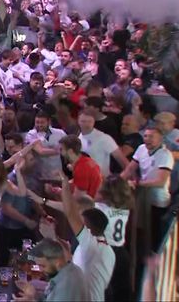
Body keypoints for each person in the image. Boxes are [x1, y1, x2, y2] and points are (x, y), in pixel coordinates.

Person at [59, 171, 114, 301]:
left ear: (88, 227)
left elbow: (70, 213)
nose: (78, 224)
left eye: (82, 221)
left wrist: (65, 185)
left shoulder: (89, 243)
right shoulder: (109, 251)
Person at [121, 126, 173, 251]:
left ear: (160, 139)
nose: (147, 139)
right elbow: (130, 169)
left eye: (151, 137)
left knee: (153, 235)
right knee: (139, 231)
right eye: (145, 136)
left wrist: (138, 183)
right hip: (143, 197)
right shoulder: (141, 149)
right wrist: (118, 182)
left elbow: (160, 182)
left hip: (158, 201)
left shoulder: (165, 155)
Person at [15, 238, 89, 302]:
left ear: (57, 263)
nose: (40, 270)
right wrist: (35, 296)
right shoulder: (68, 270)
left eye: (43, 266)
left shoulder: (66, 285)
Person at [78, 109, 128, 177]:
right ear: (78, 121)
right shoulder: (78, 138)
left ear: (94, 121)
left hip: (102, 181)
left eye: (89, 121)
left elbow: (122, 160)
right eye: (83, 121)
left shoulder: (104, 138)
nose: (87, 124)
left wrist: (121, 179)